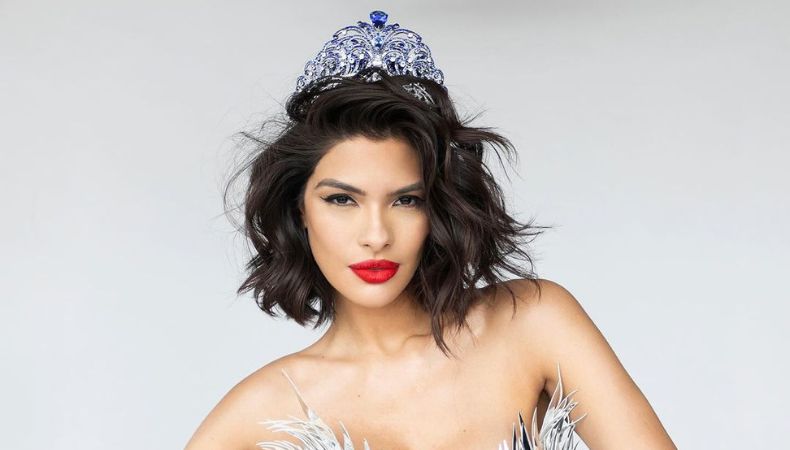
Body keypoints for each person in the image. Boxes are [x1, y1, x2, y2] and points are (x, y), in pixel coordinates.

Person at [185, 10, 676, 450]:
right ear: (299, 212)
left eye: (406, 200)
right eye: (342, 200)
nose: (376, 234)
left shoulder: (531, 323)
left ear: (436, 207)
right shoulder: (263, 411)